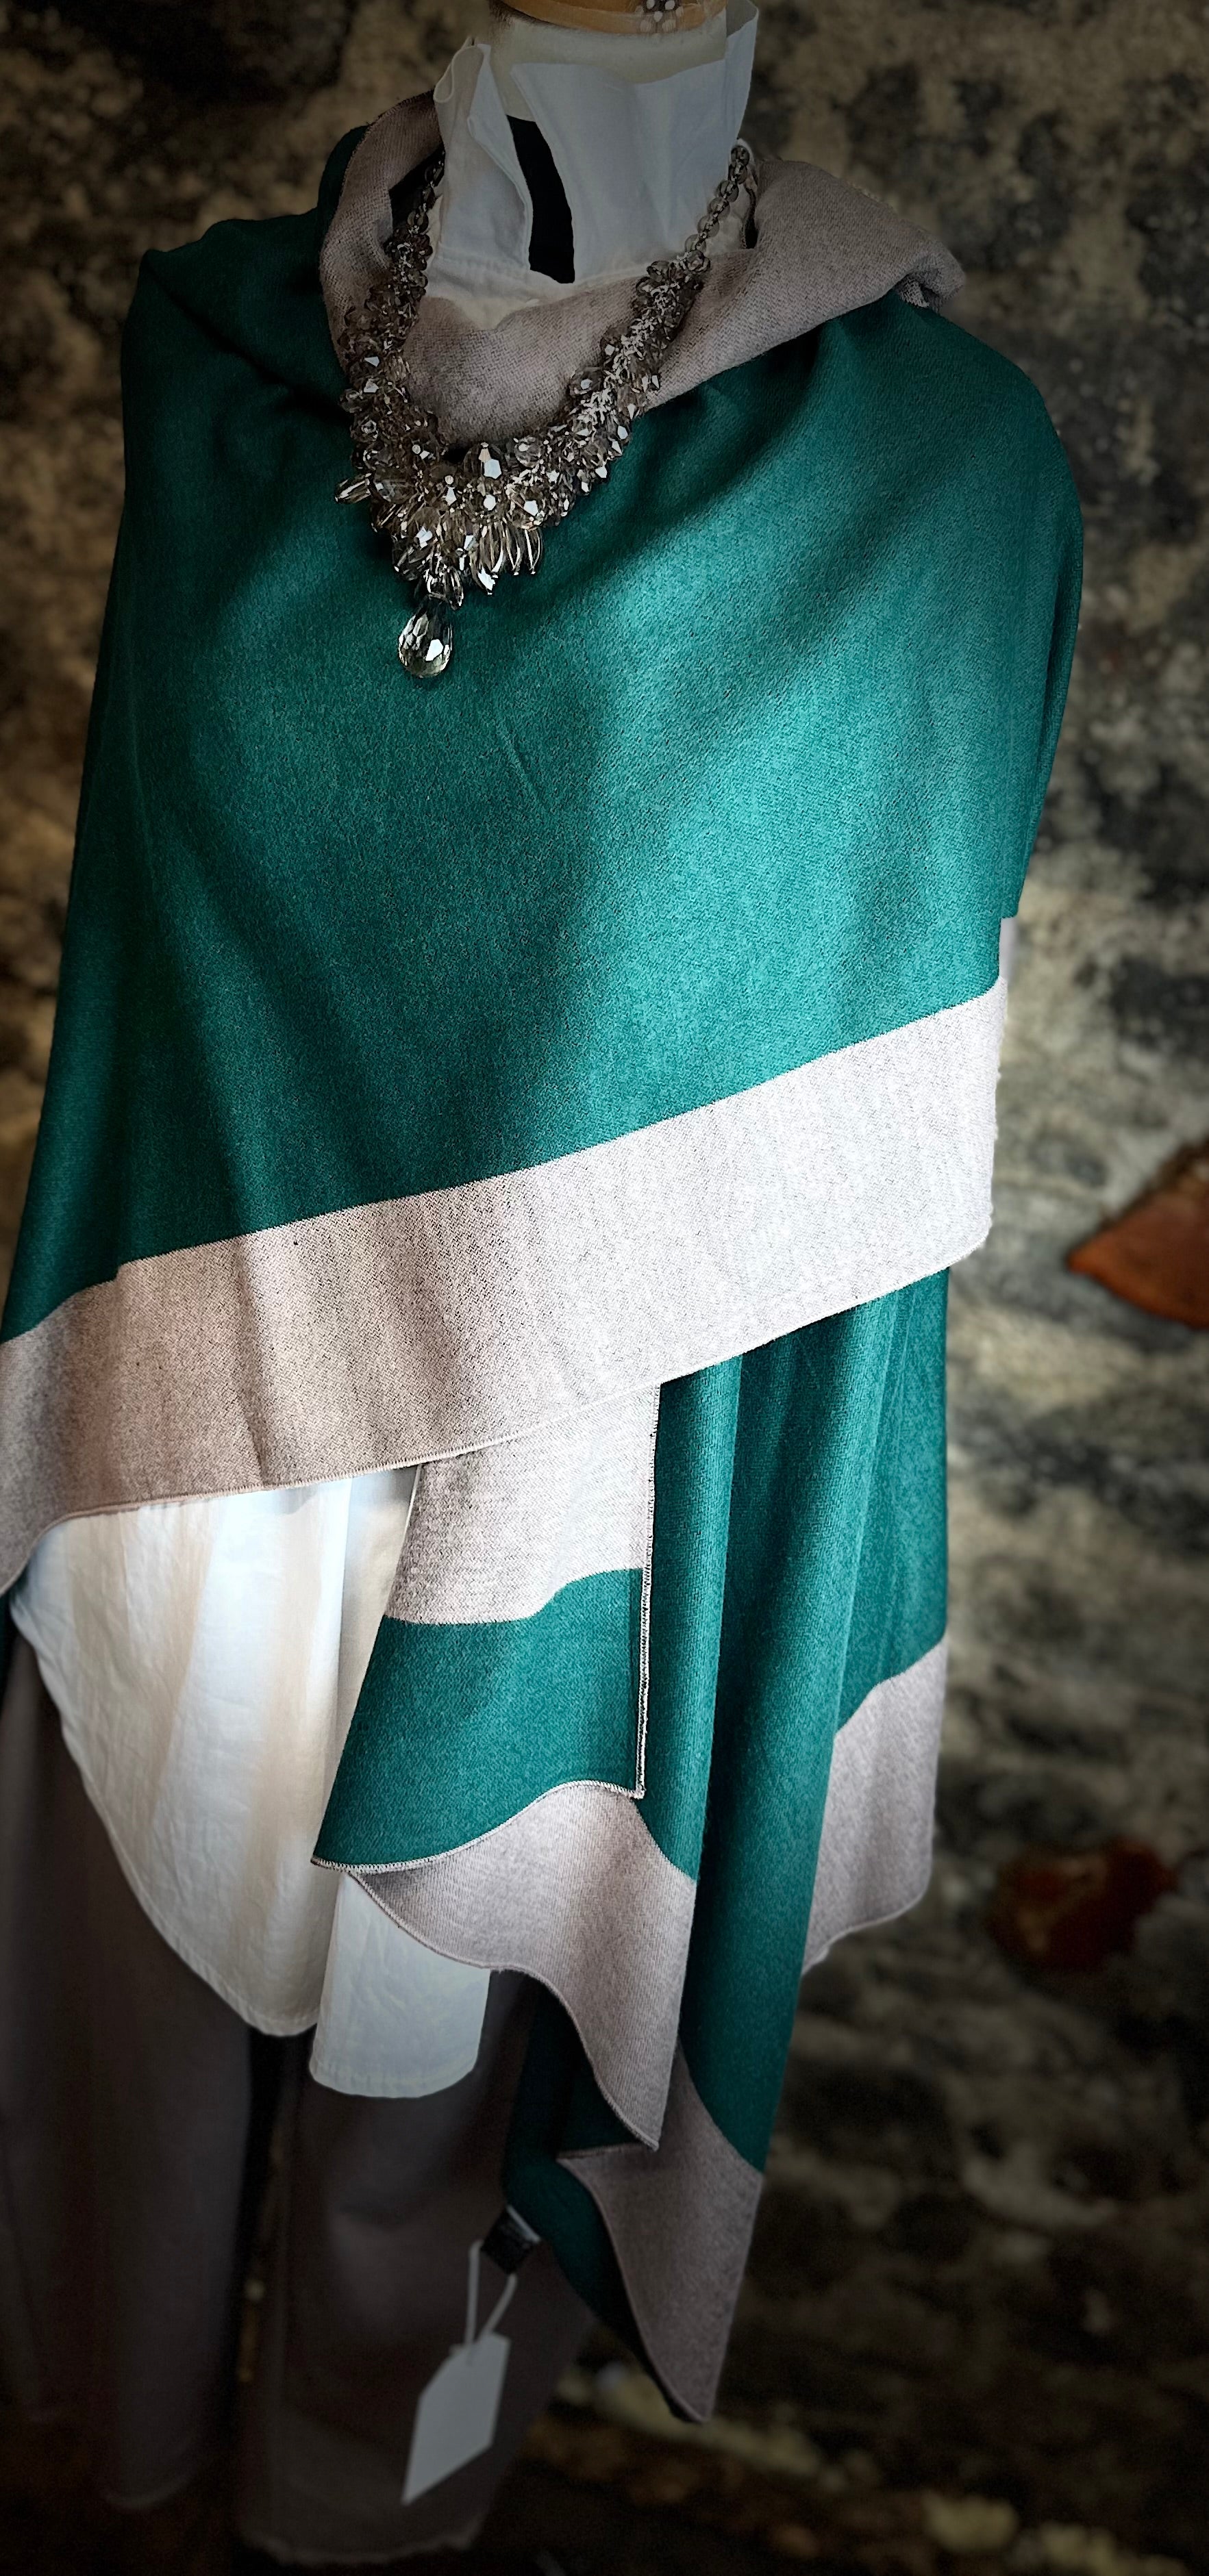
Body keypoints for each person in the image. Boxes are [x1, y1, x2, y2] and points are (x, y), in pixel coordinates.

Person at [0, 0, 1082, 2561]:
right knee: (109, 2085)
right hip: (198, 1460)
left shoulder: (935, 480)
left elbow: (848, 1138)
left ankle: (352, 2521)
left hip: (566, 1496)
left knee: (422, 2202)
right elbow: (158, 958)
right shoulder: (223, 353)